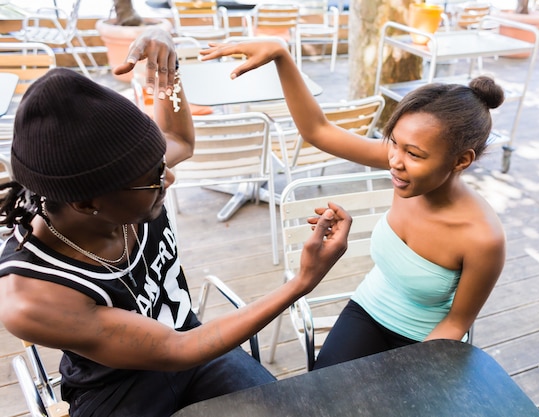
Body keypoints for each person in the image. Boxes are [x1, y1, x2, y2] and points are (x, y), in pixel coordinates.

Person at [0, 27, 351, 416]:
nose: (169, 177)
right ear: (86, 203)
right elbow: (173, 351)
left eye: (160, 165)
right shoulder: (31, 297)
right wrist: (303, 281)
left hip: (198, 344)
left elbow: (176, 136)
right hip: (119, 389)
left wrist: (168, 70)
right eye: (155, 179)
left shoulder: (127, 176)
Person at [201, 40, 506, 369]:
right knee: (321, 393)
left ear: (462, 160)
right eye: (394, 144)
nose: (394, 162)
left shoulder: (483, 239)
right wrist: (281, 56)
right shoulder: (404, 167)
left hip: (428, 340)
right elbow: (318, 130)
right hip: (368, 309)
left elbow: (456, 324)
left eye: (414, 154)